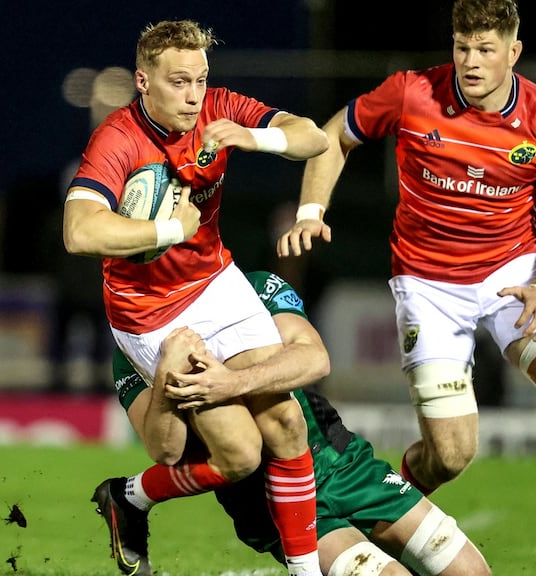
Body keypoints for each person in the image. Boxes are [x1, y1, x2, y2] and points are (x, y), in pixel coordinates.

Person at [275, 2, 536, 575]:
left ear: (513, 53)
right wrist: (310, 209)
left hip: (514, 274)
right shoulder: (411, 93)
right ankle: (384, 501)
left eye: (485, 49)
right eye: (461, 47)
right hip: (427, 284)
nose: (470, 62)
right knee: (450, 455)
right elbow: (336, 134)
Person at [63, 19, 329, 576]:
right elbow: (80, 233)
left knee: (286, 423)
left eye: (201, 80)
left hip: (215, 282)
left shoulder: (218, 108)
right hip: (148, 313)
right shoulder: (117, 139)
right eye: (179, 82)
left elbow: (314, 137)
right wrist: (168, 231)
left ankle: (307, 574)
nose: (193, 95)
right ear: (143, 81)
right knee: (238, 456)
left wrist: (254, 136)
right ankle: (130, 497)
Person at [102, 270, 492, 576]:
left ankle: (132, 495)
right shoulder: (134, 344)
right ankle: (131, 496)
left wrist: (231, 383)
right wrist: (167, 375)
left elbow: (314, 359)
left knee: (472, 572)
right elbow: (165, 448)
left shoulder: (251, 288)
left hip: (338, 458)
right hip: (266, 497)